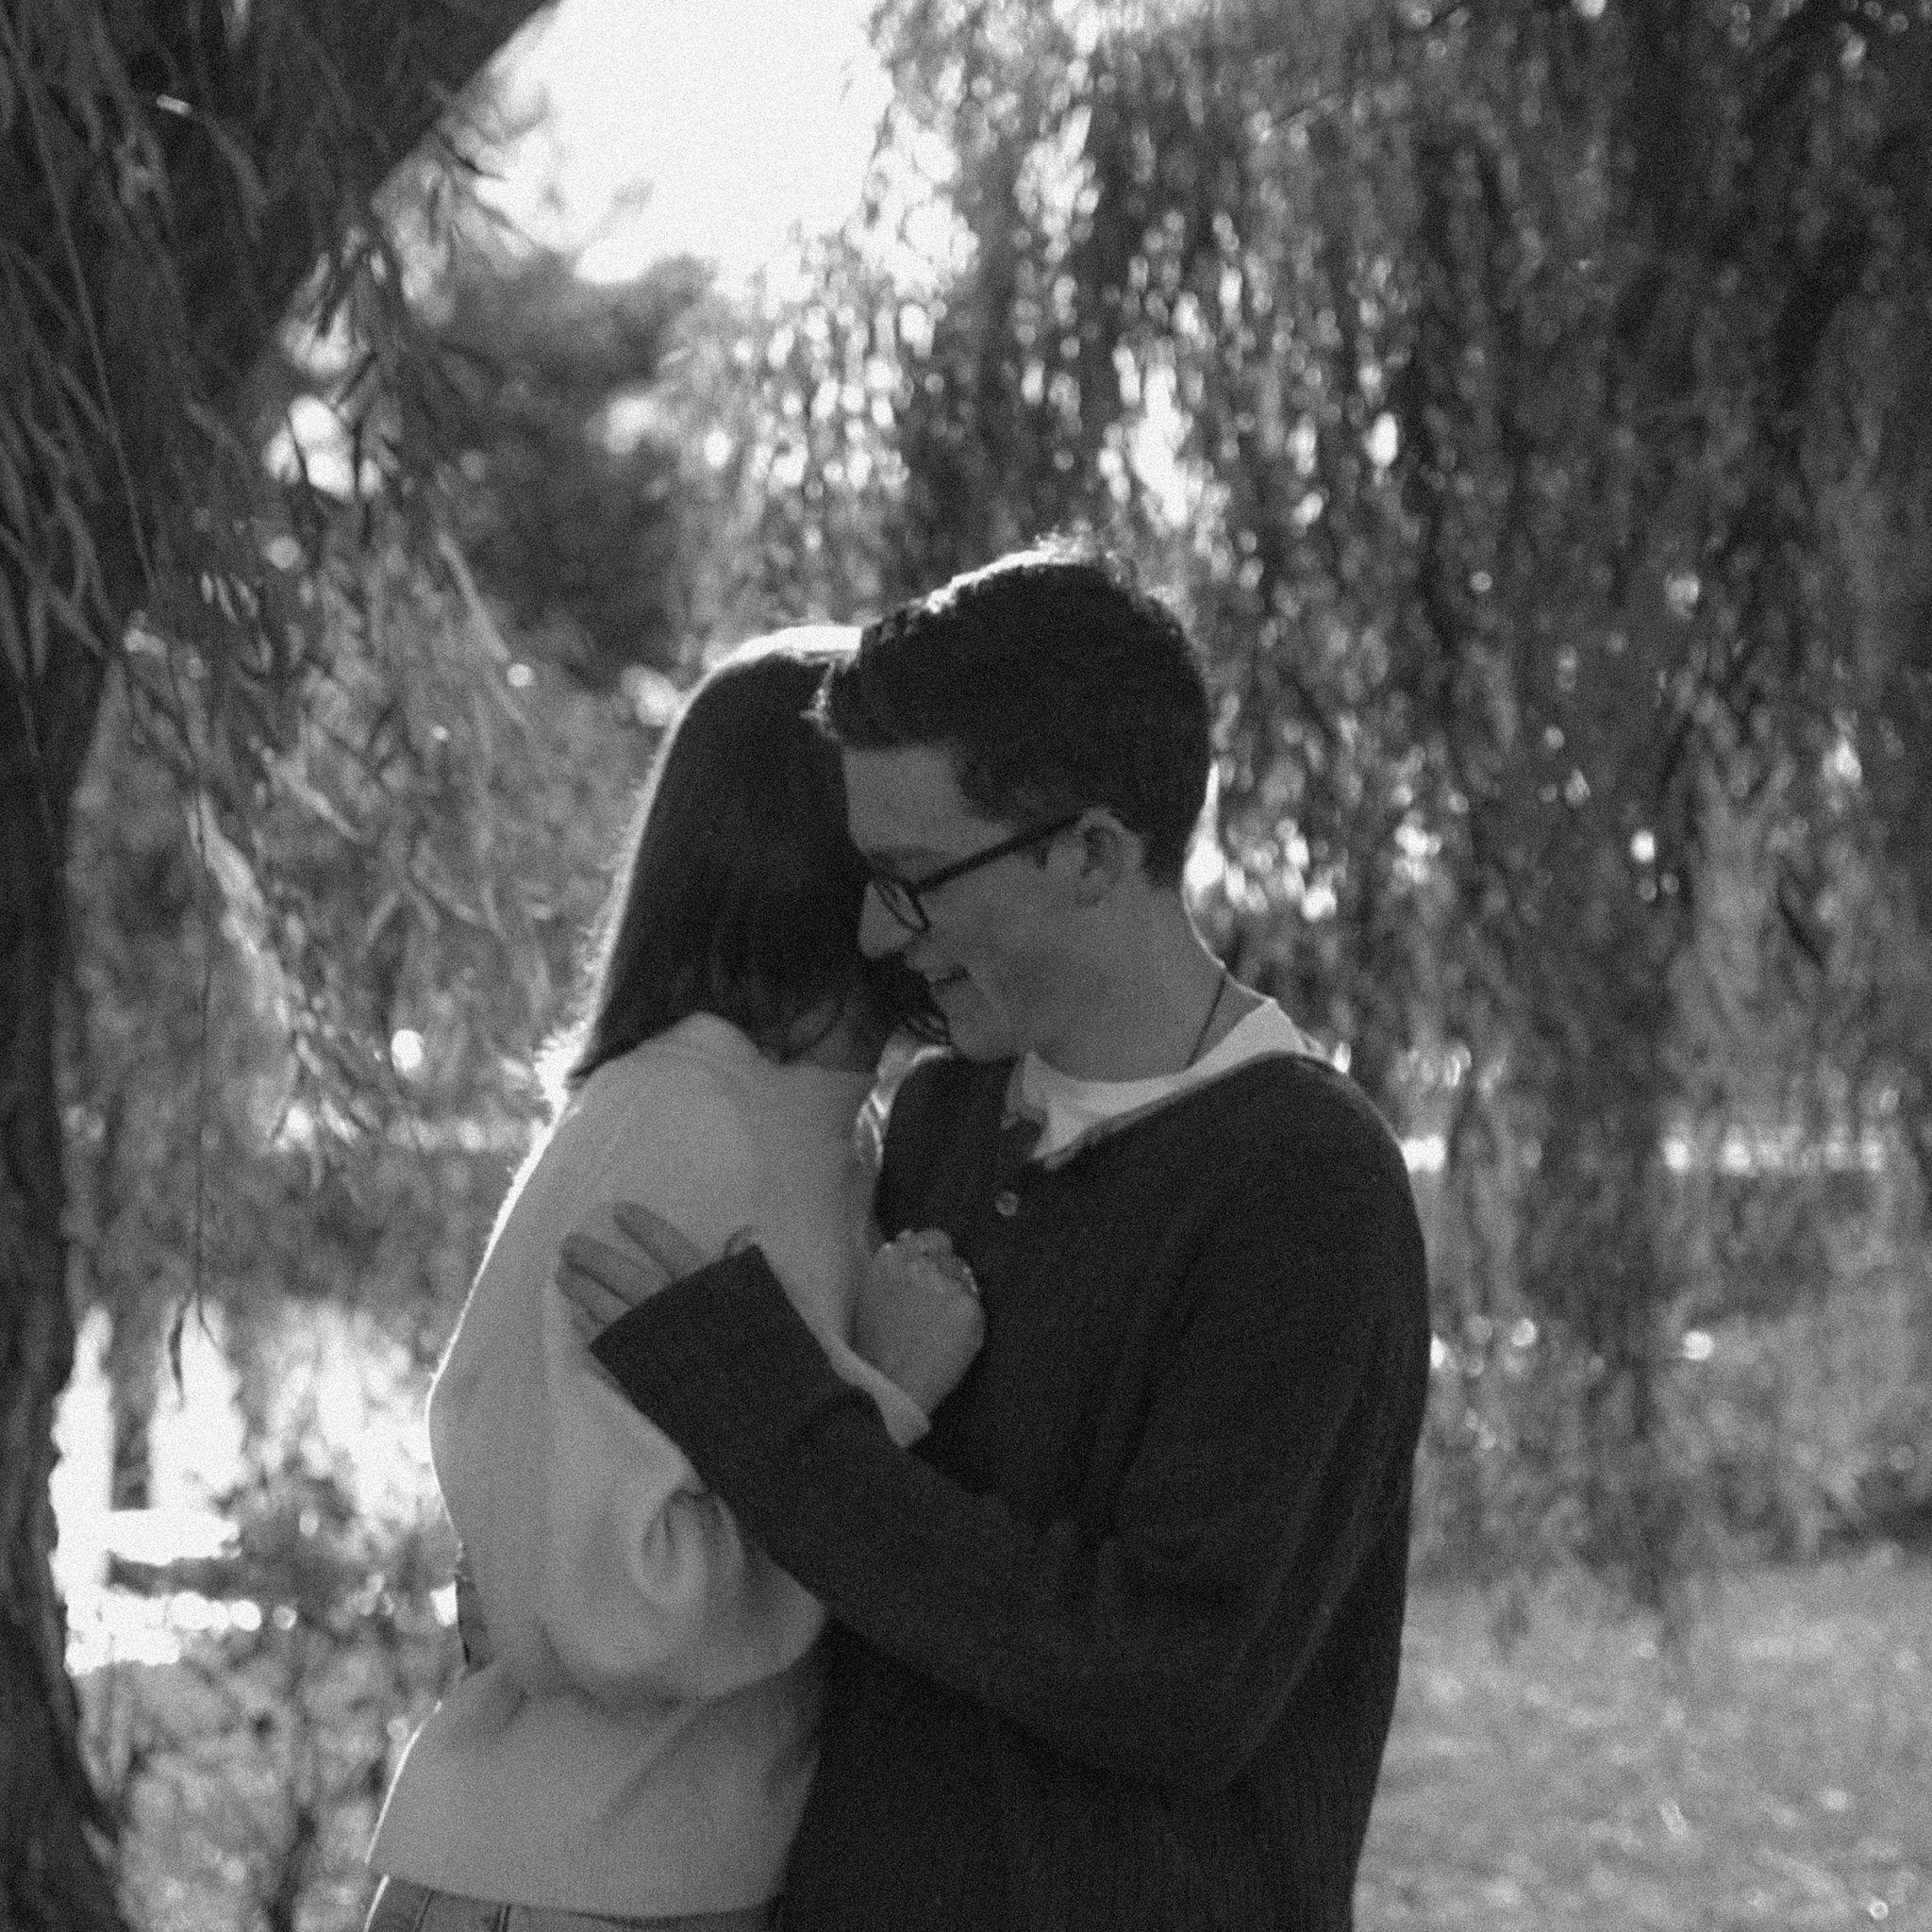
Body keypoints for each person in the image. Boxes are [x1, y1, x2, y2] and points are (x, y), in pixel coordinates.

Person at [559, 547, 1433, 1931]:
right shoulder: (943, 1118)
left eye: (914, 877)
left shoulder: (1305, 1185)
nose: (872, 930)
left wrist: (775, 1422)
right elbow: (859, 1590)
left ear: (1093, 853)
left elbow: (1174, 1683)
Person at [362, 633, 985, 1932]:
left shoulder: (830, 1132)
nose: (954, 873)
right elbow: (606, 1604)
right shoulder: (680, 1128)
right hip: (575, 1886)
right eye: (917, 835)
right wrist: (879, 1395)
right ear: (831, 856)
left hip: (678, 1878)